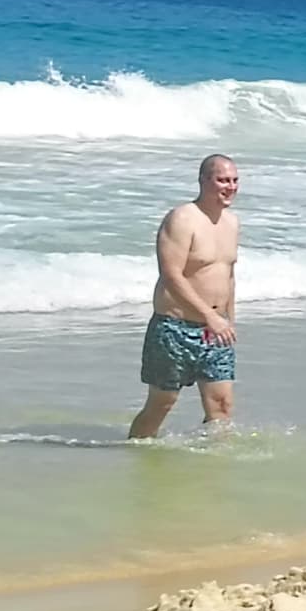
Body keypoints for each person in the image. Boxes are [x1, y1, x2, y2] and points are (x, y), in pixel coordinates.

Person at [129, 153, 241, 439]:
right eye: (222, 180)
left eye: (234, 180)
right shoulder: (181, 219)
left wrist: (228, 319)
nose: (230, 187)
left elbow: (227, 274)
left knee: (222, 405)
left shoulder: (231, 222)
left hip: (215, 331)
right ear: (203, 180)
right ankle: (136, 452)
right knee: (162, 404)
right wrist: (209, 316)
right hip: (175, 328)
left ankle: (215, 461)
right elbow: (171, 275)